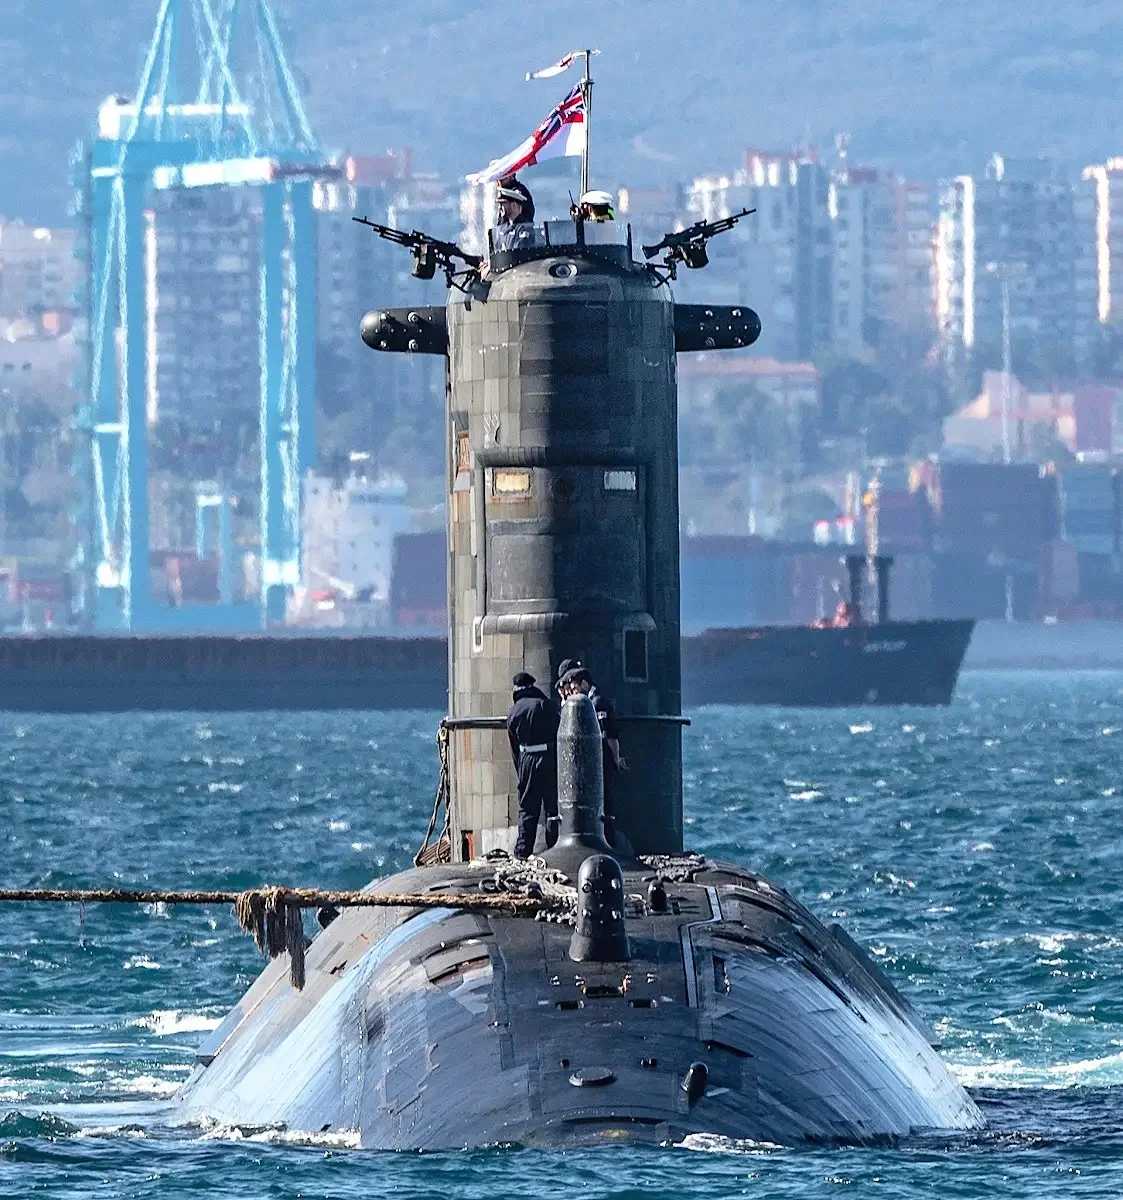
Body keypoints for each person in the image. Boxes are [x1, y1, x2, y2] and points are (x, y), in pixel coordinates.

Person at [557, 665, 627, 844]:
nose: (573, 691)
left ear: (585, 684)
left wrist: (615, 758)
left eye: (575, 686)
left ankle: (609, 840)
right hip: (595, 760)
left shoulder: (596, 703)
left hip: (601, 758)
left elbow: (609, 733)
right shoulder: (588, 702)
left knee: (606, 801)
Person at [506, 671, 559, 859]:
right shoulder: (547, 706)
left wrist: (521, 771)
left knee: (528, 808)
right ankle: (555, 850)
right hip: (549, 757)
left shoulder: (514, 712)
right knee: (553, 807)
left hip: (527, 759)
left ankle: (522, 852)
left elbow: (514, 748)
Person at [493, 177, 536, 252]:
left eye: (503, 204)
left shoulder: (525, 230)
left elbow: (519, 254)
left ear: (514, 205)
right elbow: (497, 251)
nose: (500, 207)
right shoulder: (503, 230)